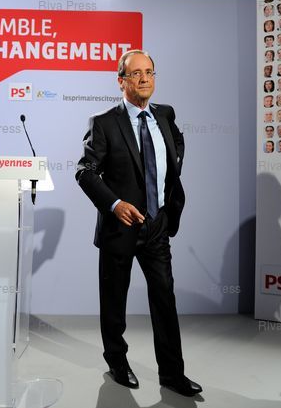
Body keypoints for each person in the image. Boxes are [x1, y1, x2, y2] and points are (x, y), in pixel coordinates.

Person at [76, 50, 202, 396]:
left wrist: (170, 174)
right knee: (114, 299)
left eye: (149, 72)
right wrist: (114, 204)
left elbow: (176, 144)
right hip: (120, 226)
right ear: (121, 81)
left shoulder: (165, 114)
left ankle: (172, 374)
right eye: (136, 73)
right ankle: (117, 362)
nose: (144, 78)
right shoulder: (104, 123)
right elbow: (85, 171)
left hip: (157, 223)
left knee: (164, 298)